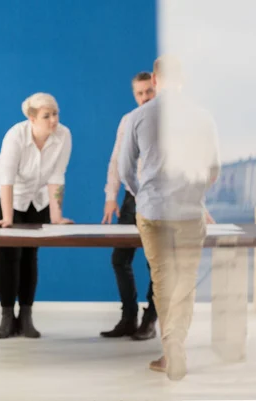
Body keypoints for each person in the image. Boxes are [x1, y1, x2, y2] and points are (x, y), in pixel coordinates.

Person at [119, 55, 220, 380]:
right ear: (183, 80)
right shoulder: (203, 117)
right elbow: (214, 168)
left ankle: (169, 351)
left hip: (153, 212)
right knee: (186, 282)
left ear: (156, 80)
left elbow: (124, 170)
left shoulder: (138, 116)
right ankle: (176, 346)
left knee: (163, 279)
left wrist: (143, 194)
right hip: (190, 213)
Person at [0, 93, 73, 339]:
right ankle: (6, 318)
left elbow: (57, 177)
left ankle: (25, 318)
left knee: (30, 254)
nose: (53, 120)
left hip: (38, 197)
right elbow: (7, 179)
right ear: (32, 118)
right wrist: (7, 219)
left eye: (55, 114)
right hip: (2, 192)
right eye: (47, 116)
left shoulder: (63, 135)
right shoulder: (16, 135)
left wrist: (57, 217)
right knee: (8, 251)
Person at [100, 72, 158, 341]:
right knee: (120, 258)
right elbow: (116, 159)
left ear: (157, 88)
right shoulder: (129, 120)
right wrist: (111, 196)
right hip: (132, 196)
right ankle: (128, 316)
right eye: (140, 93)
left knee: (155, 262)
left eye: (149, 91)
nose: (145, 97)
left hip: (158, 197)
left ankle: (150, 319)